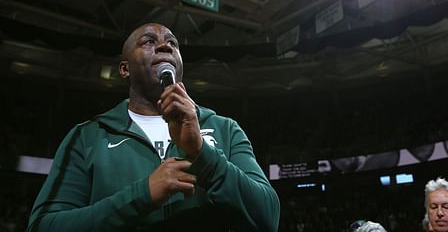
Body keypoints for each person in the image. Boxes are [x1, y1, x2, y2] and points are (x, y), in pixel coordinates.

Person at [28, 23, 280, 231]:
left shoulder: (225, 128)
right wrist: (143, 195)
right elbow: (44, 225)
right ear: (125, 69)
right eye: (148, 41)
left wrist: (203, 153)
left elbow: (268, 216)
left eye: (172, 43)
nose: (164, 45)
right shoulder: (87, 136)